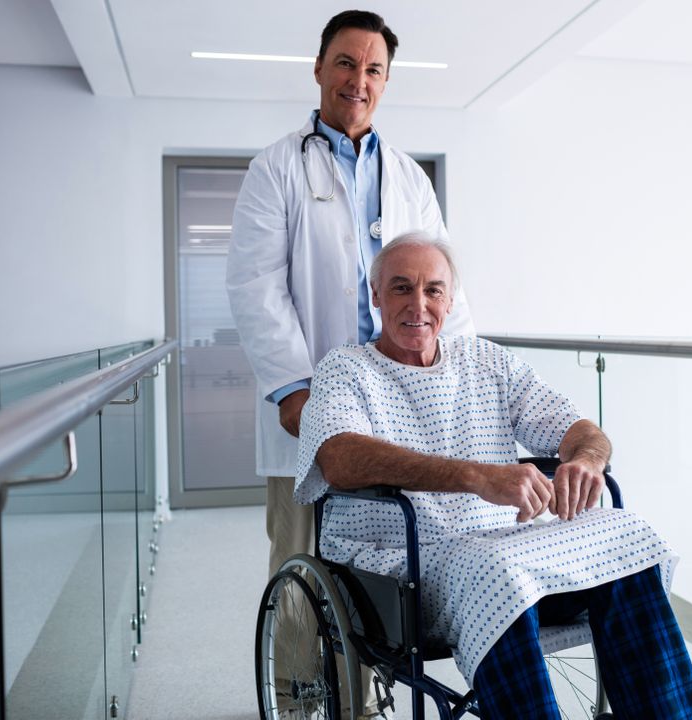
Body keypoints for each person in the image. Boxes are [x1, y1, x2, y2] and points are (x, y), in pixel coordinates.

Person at [294, 234, 692, 720]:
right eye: (402, 288)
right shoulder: (346, 370)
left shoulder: (486, 361)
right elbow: (339, 458)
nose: (418, 304)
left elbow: (582, 431)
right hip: (401, 558)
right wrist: (475, 476)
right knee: (494, 571)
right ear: (376, 296)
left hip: (504, 549)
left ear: (450, 300)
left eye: (433, 290)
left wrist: (586, 460)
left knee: (627, 535)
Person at [227, 10, 474, 718]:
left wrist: (460, 381)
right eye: (345, 63)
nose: (357, 80)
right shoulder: (277, 167)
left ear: (387, 82)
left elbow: (445, 287)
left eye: (372, 69)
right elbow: (254, 285)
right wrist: (295, 389)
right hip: (309, 411)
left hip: (396, 405)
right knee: (303, 574)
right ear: (318, 68)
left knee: (379, 571)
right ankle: (301, 705)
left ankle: (364, 702)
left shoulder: (408, 179)